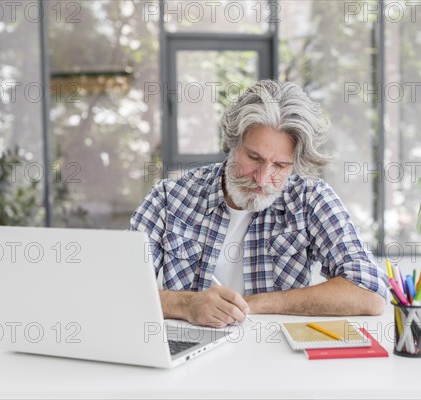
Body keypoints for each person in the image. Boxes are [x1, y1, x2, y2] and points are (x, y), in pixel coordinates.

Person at [130, 80, 387, 328]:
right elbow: (118, 288)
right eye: (254, 157)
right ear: (232, 143)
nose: (263, 178)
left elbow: (369, 292)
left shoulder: (310, 198)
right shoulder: (170, 198)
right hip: (190, 359)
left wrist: (249, 305)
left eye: (280, 165)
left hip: (276, 359)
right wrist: (186, 305)